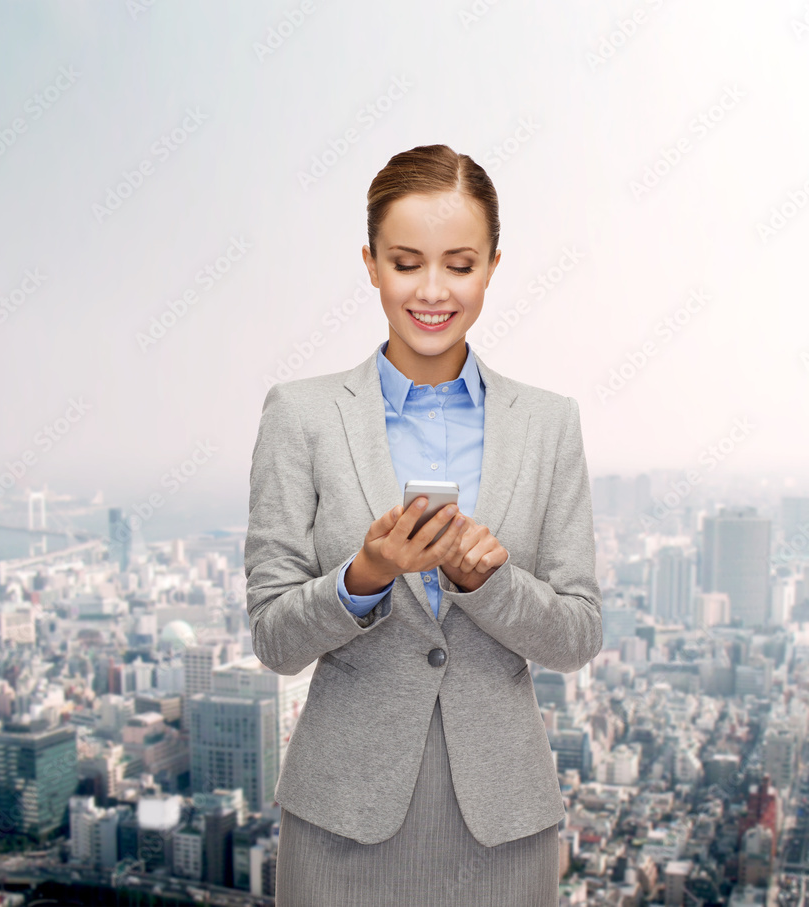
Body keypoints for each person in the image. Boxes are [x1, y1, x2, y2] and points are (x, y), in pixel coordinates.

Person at [244, 143, 602, 906]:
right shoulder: (300, 415)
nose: (433, 290)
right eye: (407, 263)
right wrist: (361, 578)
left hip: (503, 826)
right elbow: (274, 637)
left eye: (460, 264)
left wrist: (491, 585)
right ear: (370, 264)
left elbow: (578, 635)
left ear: (494, 267)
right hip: (340, 818)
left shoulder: (548, 423)